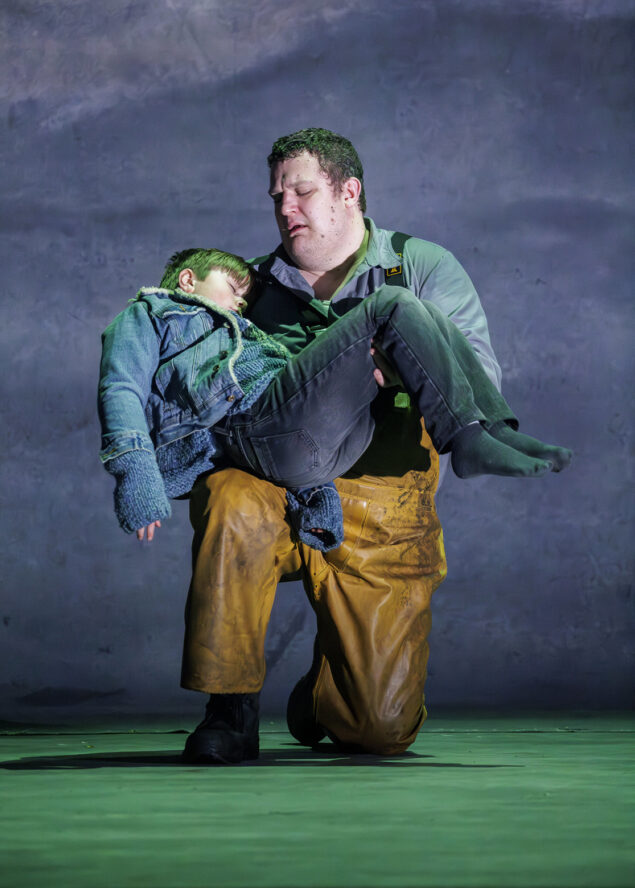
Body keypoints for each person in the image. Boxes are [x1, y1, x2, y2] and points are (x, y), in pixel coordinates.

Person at [146, 127, 566, 765]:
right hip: (281, 489)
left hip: (382, 506)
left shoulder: (419, 265)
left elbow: (474, 367)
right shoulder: (246, 289)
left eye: (303, 192)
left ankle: (324, 692)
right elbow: (185, 375)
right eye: (277, 197)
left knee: (379, 732)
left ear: (350, 191)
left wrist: (399, 365)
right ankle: (228, 709)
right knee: (229, 496)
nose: (287, 209)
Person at [99, 250, 570, 555]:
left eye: (244, 301)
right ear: (187, 280)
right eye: (234, 292)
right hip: (257, 429)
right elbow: (121, 389)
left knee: (421, 312)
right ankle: (467, 439)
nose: (241, 306)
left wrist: (315, 497)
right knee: (391, 303)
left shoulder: (243, 333)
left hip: (319, 452)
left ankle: (494, 429)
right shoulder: (150, 314)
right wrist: (136, 477)